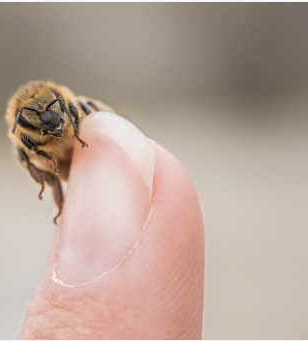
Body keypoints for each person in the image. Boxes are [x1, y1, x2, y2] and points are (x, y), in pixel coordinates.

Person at [18, 112, 205, 339]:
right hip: (58, 166)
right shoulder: (27, 135)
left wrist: (97, 123)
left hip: (82, 147)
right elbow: (24, 154)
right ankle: (61, 203)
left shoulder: (65, 108)